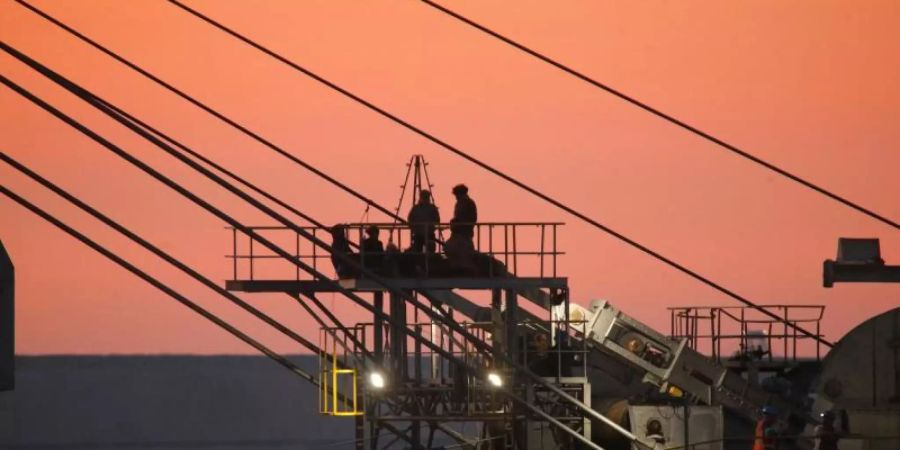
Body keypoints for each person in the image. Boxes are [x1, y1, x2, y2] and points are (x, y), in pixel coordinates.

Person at [407, 189, 440, 254]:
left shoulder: (418, 208)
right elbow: (410, 220)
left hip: (428, 233)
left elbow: (437, 220)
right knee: (418, 251)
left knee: (429, 252)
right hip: (419, 234)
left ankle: (426, 262)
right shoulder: (417, 208)